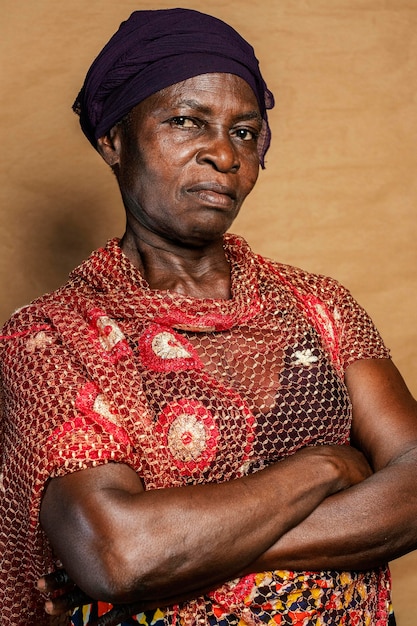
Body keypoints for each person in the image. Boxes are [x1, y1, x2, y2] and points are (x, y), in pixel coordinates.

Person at [1, 8, 417, 626]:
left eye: (245, 132)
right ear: (112, 139)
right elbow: (119, 554)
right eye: (186, 121)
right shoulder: (52, 339)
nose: (223, 153)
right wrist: (322, 467)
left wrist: (198, 552)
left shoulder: (319, 306)